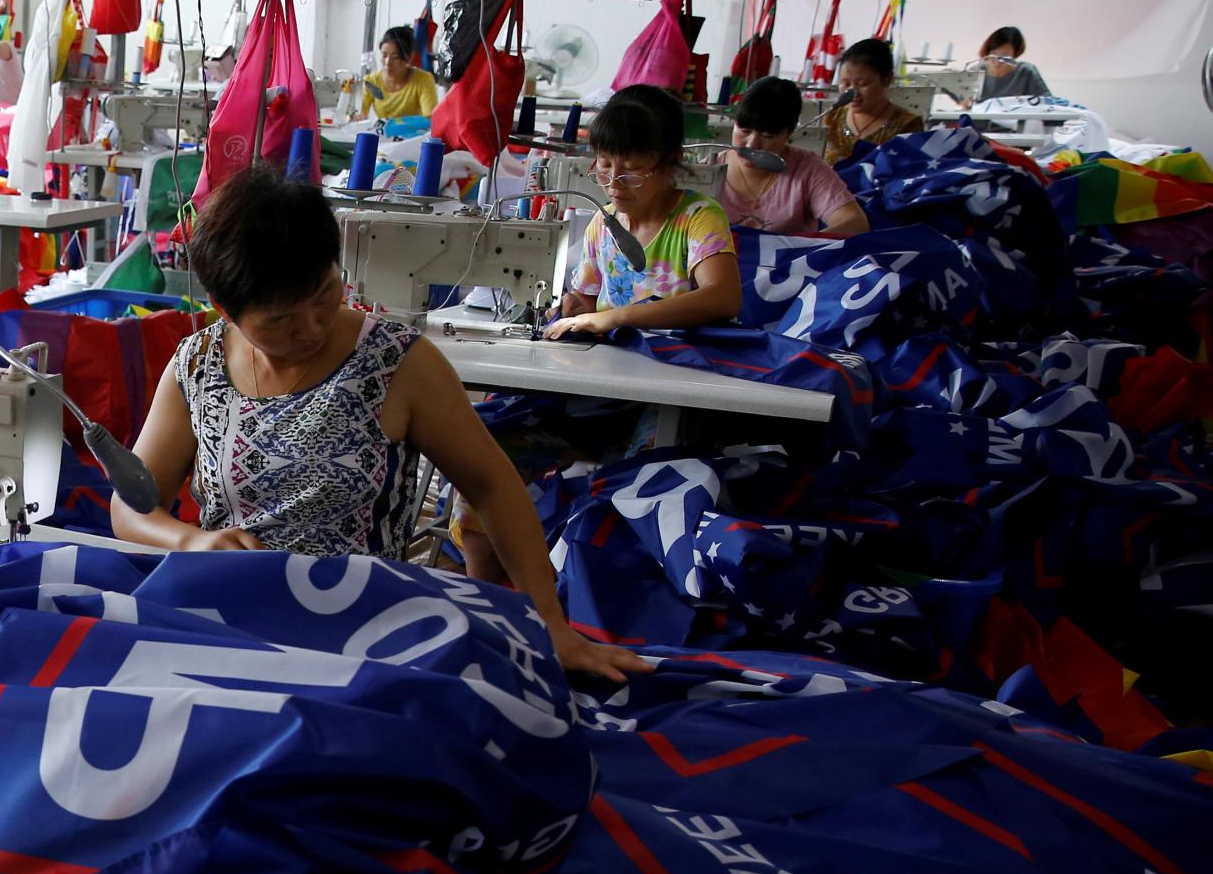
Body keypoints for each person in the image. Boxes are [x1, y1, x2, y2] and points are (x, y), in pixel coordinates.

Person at [109, 164, 645, 683]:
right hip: (226, 618)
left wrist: (548, 622)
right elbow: (131, 505)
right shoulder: (197, 366)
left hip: (360, 632)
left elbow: (492, 486)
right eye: (281, 321)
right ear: (227, 310)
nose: (313, 327)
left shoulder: (396, 362)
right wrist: (188, 542)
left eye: (324, 296)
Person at [545, 85, 741, 341]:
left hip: (678, 366)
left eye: (632, 168)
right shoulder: (603, 224)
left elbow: (723, 298)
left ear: (671, 163)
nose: (614, 181)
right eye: (604, 164)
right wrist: (575, 307)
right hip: (614, 362)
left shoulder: (699, 218)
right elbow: (590, 302)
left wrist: (620, 316)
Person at [721, 77, 868, 236]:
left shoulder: (807, 170)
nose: (752, 145)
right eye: (744, 131)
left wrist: (796, 247)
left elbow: (854, 223)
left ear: (789, 134)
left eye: (767, 136)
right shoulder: (709, 169)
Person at [820, 38, 925, 166]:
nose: (852, 92)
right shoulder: (831, 118)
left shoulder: (908, 125)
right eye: (845, 84)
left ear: (887, 79)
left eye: (862, 84)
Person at [357, 25, 439, 122]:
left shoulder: (423, 80)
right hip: (383, 134)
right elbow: (361, 116)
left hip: (414, 135)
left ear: (409, 57)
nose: (387, 62)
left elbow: (430, 120)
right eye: (384, 55)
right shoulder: (371, 81)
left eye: (395, 57)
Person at [976, 25, 1050, 102]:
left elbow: (1048, 103)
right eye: (993, 54)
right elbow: (964, 106)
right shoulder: (976, 70)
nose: (997, 62)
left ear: (1015, 55)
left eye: (1005, 57)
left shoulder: (1026, 71)